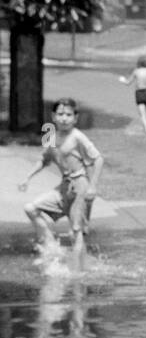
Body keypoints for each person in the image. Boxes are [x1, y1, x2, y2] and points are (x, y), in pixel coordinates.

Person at [18, 98, 103, 272]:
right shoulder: (49, 133)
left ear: (75, 118)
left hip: (80, 188)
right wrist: (27, 177)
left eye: (69, 115)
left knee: (76, 232)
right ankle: (52, 248)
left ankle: (78, 272)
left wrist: (93, 187)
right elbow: (45, 159)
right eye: (61, 114)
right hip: (63, 187)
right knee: (31, 208)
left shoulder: (78, 137)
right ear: (53, 116)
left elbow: (99, 159)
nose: (64, 118)